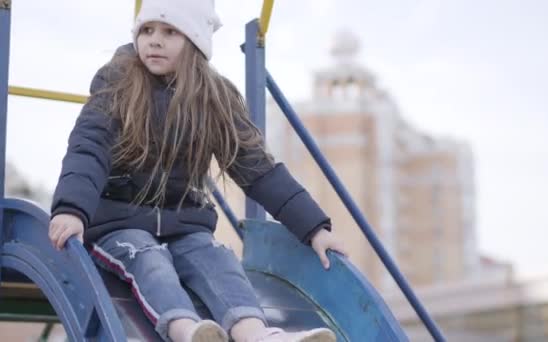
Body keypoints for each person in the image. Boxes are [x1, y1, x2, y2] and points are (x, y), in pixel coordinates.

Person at [47, 0, 347, 341]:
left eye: (170, 31)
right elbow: (89, 148)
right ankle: (188, 332)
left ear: (195, 42)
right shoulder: (117, 83)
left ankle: (257, 334)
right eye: (147, 30)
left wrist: (314, 228)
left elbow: (257, 168)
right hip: (118, 221)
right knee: (150, 261)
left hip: (183, 221)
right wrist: (72, 209)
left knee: (218, 260)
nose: (154, 40)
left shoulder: (213, 98)